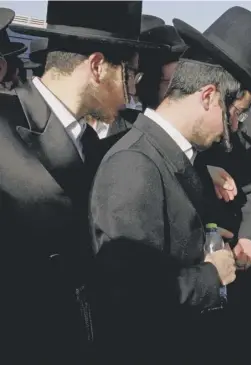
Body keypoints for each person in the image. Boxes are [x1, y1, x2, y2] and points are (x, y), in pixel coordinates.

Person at [88, 7, 251, 364]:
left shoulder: (175, 155)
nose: (237, 126)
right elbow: (128, 298)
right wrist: (211, 276)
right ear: (209, 96)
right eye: (236, 113)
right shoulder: (134, 164)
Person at [0, 2, 158, 362]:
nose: (129, 92)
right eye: (129, 74)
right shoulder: (4, 125)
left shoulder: (89, 142)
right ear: (98, 67)